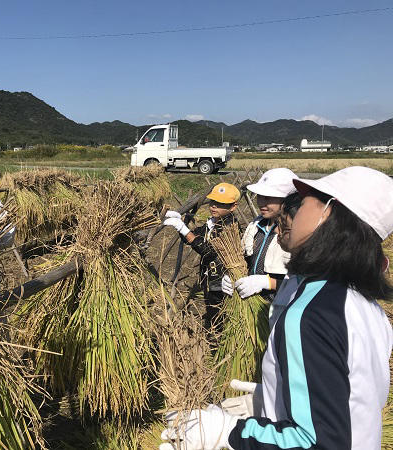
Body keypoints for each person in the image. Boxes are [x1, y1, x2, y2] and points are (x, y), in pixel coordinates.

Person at [159, 166, 393, 449]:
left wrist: (229, 432)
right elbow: (357, 397)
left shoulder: (311, 314)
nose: (290, 213)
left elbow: (319, 442)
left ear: (327, 214)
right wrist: (278, 395)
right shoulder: (363, 305)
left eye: (306, 201)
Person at [163, 183, 241, 330]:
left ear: (233, 207)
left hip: (221, 280)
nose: (213, 206)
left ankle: (216, 341)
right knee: (211, 310)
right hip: (209, 278)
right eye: (213, 202)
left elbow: (208, 250)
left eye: (220, 204)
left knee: (218, 314)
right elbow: (195, 236)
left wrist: (182, 229)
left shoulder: (230, 227)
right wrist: (181, 225)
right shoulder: (213, 223)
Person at [222, 168, 298, 301]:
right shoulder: (256, 226)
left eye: (268, 198)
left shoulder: (298, 233)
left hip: (282, 308)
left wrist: (269, 283)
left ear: (288, 199)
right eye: (260, 196)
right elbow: (245, 259)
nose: (261, 203)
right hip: (255, 305)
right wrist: (231, 275)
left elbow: (307, 284)